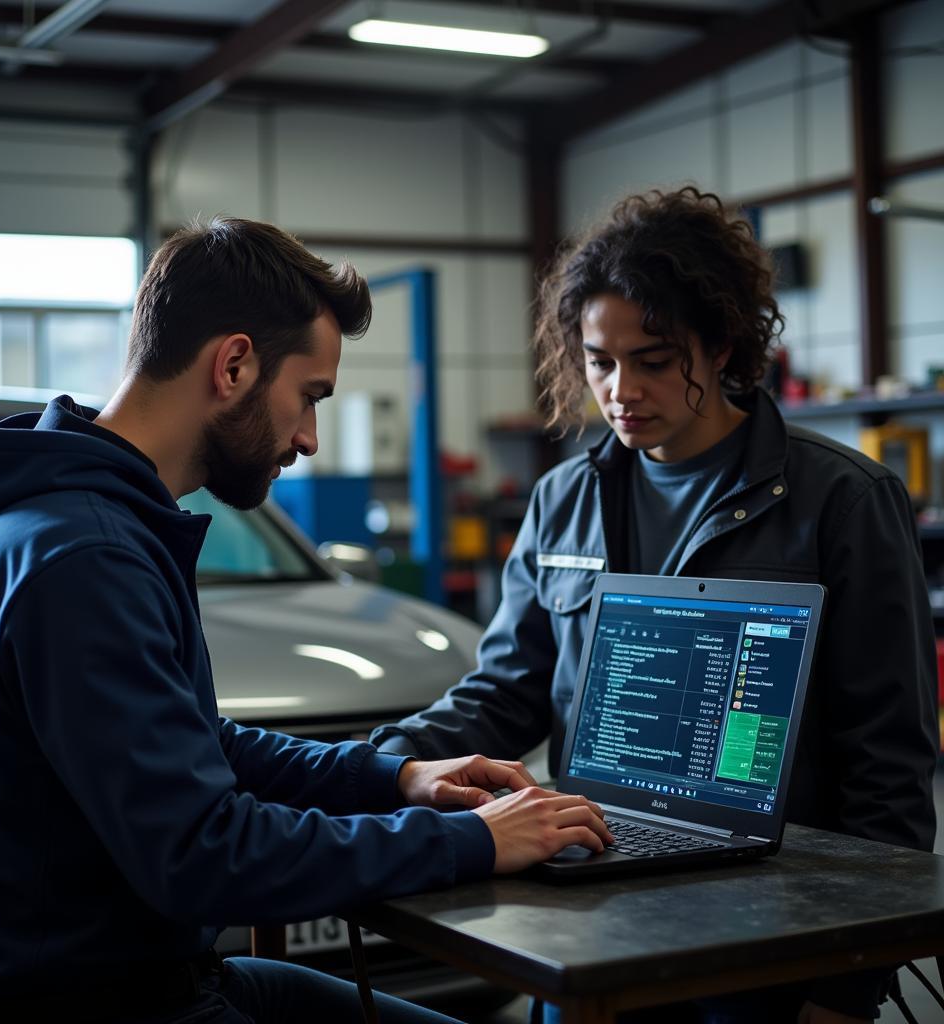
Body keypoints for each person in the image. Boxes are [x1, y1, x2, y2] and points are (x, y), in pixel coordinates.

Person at [0, 217, 613, 1024]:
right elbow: (203, 852)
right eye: (310, 397)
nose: (311, 439)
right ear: (235, 364)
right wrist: (476, 841)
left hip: (149, 985)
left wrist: (394, 779)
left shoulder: (92, 525)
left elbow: (199, 746)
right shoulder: (84, 557)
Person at [372, 187, 940, 1024]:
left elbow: (887, 761)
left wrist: (847, 981)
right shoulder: (563, 500)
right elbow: (506, 690)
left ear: (720, 346)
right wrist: (380, 766)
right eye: (600, 360)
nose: (619, 388)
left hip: (772, 927)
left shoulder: (843, 501)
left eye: (653, 358)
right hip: (594, 902)